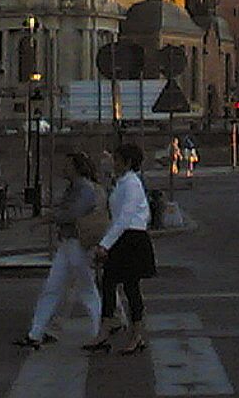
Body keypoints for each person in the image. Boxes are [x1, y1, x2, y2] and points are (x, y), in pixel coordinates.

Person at [15, 152, 102, 349]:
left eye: (68, 165)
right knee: (54, 287)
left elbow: (73, 213)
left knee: (86, 289)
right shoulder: (75, 188)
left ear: (77, 168)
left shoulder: (84, 189)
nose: (64, 168)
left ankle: (98, 331)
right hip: (68, 242)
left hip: (78, 243)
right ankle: (35, 333)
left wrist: (48, 218)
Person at [83, 142, 155, 356]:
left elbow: (124, 217)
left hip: (132, 237)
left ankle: (136, 334)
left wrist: (105, 244)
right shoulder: (122, 182)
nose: (113, 163)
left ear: (128, 162)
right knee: (109, 282)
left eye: (117, 160)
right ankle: (107, 328)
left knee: (129, 287)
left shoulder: (131, 183)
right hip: (124, 237)